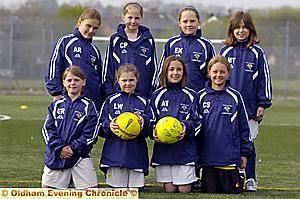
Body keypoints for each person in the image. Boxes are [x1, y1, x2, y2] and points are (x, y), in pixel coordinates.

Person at [219, 11, 272, 192]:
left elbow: (264, 80)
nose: (241, 31)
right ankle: (231, 176)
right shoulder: (225, 51)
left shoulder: (257, 53)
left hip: (249, 109)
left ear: (251, 30)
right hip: (227, 107)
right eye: (237, 28)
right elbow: (216, 76)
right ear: (231, 30)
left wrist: (262, 105)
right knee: (226, 141)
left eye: (244, 27)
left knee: (247, 144)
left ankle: (250, 178)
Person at [196, 56, 252, 193]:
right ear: (209, 73)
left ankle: (239, 176)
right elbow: (195, 128)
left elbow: (244, 128)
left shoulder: (235, 97)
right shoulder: (200, 96)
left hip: (229, 159)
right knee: (209, 191)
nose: (218, 75)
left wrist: (244, 153)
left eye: (222, 72)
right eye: (215, 72)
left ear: (228, 73)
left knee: (231, 191)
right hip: (208, 160)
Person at [41, 66, 100, 189]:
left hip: (80, 155)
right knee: (48, 190)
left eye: (76, 80)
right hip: (57, 154)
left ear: (83, 82)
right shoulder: (56, 105)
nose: (72, 83)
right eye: (69, 80)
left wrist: (73, 149)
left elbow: (91, 134)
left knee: (91, 191)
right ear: (63, 82)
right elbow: (48, 130)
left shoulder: (89, 106)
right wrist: (60, 148)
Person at [150, 55, 201, 193]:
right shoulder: (157, 95)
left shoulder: (192, 95)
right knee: (170, 189)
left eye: (179, 69)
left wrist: (185, 126)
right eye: (171, 69)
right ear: (165, 72)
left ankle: (193, 177)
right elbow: (151, 119)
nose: (175, 73)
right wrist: (153, 130)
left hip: (184, 148)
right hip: (164, 148)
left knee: (184, 189)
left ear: (184, 73)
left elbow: (197, 121)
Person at [99, 64, 154, 188]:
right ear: (118, 80)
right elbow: (100, 125)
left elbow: (151, 127)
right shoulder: (110, 101)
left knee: (134, 191)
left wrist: (143, 122)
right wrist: (109, 126)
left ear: (137, 80)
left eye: (131, 80)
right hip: (115, 154)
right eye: (124, 80)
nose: (128, 83)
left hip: (136, 154)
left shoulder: (144, 102)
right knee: (118, 191)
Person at [45, 8, 103, 110]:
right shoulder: (66, 42)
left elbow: (98, 77)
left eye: (95, 28)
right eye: (88, 26)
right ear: (79, 22)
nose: (91, 31)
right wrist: (56, 93)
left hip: (91, 102)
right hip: (69, 99)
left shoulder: (95, 51)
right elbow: (54, 67)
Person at [102, 2, 158, 99]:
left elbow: (154, 69)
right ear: (123, 17)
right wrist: (109, 93)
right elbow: (108, 69)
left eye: (137, 18)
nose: (133, 21)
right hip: (119, 94)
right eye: (130, 17)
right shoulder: (115, 40)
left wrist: (151, 93)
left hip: (142, 95)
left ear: (141, 18)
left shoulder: (148, 41)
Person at [160, 6, 215, 93]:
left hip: (198, 94)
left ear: (198, 22)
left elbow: (212, 73)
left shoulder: (206, 45)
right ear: (179, 23)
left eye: (192, 21)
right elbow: (162, 71)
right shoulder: (171, 43)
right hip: (174, 96)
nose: (189, 24)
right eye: (185, 21)